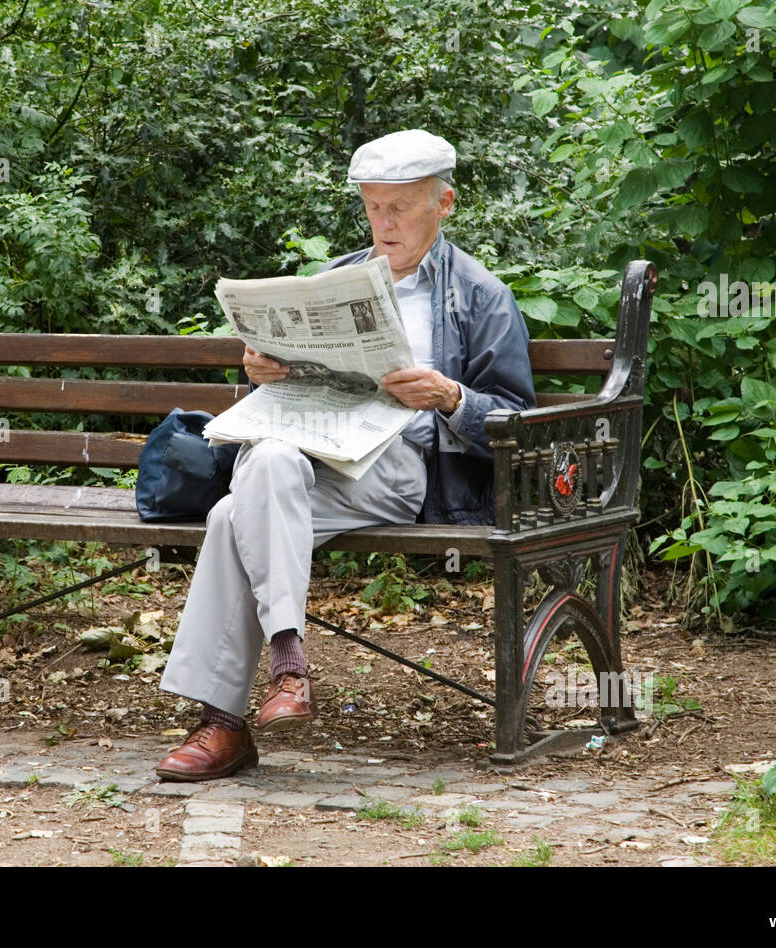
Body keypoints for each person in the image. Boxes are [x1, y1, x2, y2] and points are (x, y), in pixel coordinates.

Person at [155, 129, 536, 781]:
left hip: (398, 473)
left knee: (234, 512)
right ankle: (287, 663)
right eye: (371, 207)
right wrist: (263, 370)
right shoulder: (335, 281)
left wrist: (450, 397)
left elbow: (517, 424)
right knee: (250, 486)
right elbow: (287, 384)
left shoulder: (479, 296)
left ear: (443, 203)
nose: (383, 224)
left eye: (399, 208)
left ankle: (223, 724)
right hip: (308, 459)